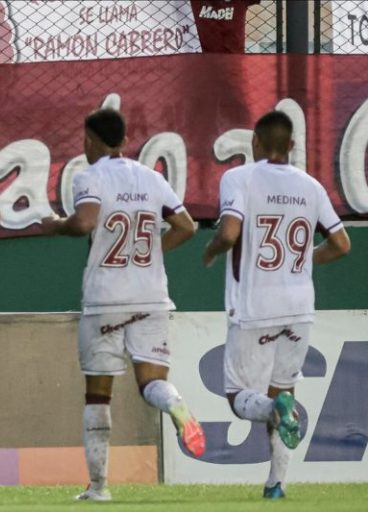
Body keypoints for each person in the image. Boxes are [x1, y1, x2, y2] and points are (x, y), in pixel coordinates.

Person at [41, 108, 205, 502]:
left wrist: (56, 225)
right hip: (151, 296)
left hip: (106, 299)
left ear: (90, 140)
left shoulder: (90, 176)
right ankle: (177, 405)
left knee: (98, 394)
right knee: (151, 383)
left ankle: (98, 488)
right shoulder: (152, 179)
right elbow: (187, 226)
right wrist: (150, 254)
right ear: (125, 140)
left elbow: (83, 222)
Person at [202, 111, 350, 499]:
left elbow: (230, 231)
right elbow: (341, 244)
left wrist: (212, 248)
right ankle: (276, 485)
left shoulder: (239, 178)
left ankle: (275, 410)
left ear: (254, 143)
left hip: (255, 305)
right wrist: (302, 260)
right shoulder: (312, 187)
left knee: (239, 398)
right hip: (299, 307)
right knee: (284, 389)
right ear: (293, 145)